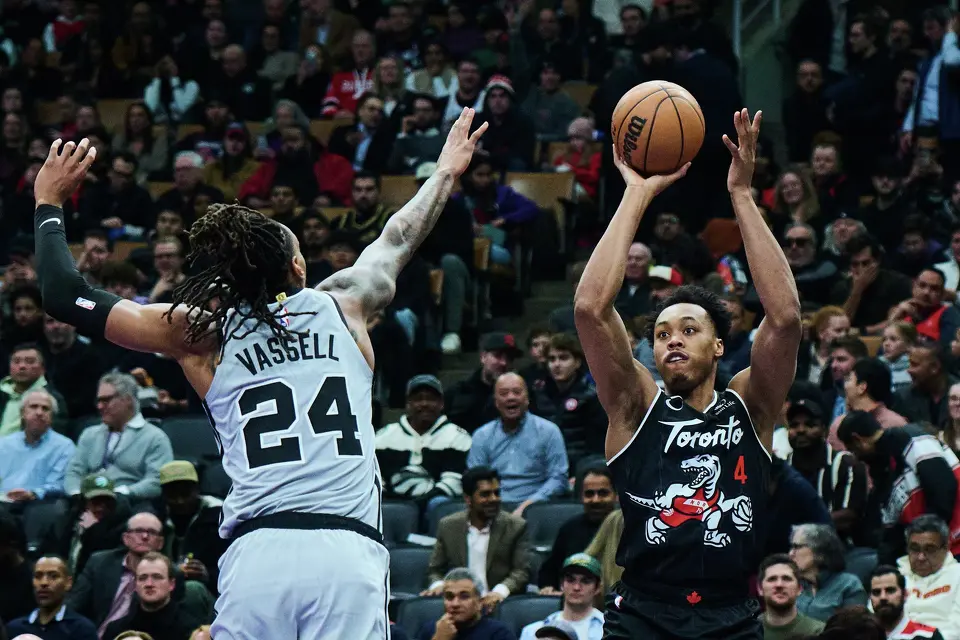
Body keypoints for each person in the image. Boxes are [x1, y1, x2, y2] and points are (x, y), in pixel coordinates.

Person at [32, 109, 488, 639]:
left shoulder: (201, 332)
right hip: (345, 549)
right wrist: (445, 172)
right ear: (299, 268)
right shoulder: (344, 304)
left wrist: (48, 201)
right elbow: (399, 235)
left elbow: (64, 295)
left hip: (259, 553)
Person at [574, 108, 802, 639]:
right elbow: (589, 308)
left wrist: (742, 196)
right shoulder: (636, 406)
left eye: (688, 329)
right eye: (660, 333)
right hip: (644, 613)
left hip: (731, 614)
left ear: (721, 346)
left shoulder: (750, 403)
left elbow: (786, 317)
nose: (672, 337)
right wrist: (636, 192)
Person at [757, 553, 824, 639]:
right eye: (772, 579)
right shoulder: (747, 632)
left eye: (786, 578)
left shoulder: (818, 632)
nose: (779, 584)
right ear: (760, 588)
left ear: (799, 588)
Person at [869, 565, 946, 640]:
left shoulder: (928, 636)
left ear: (905, 594)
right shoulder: (862, 635)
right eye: (876, 592)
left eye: (890, 590)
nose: (883, 597)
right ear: (870, 597)